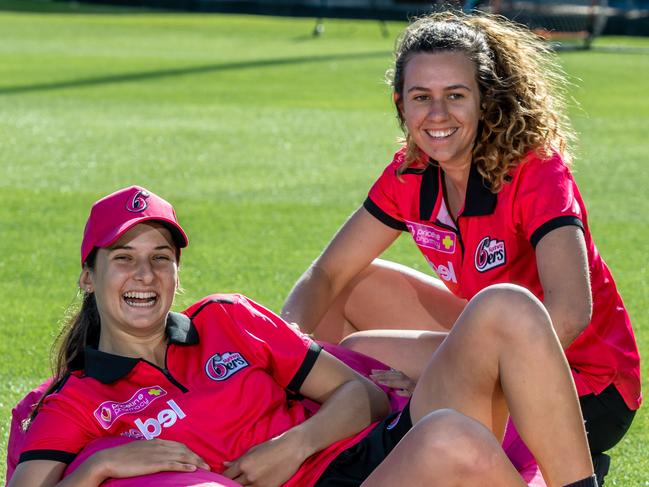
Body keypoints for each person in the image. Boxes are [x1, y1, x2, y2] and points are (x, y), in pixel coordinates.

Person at [9, 185, 599, 487]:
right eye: (124, 258)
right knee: (452, 440)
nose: (145, 275)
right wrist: (96, 468)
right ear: (89, 276)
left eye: (160, 258)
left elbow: (360, 395)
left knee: (506, 307)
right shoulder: (78, 400)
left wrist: (294, 445)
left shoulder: (227, 320)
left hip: (363, 454)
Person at [280, 9, 641, 456]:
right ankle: (311, 427)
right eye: (420, 97)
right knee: (351, 287)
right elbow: (327, 273)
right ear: (400, 104)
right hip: (492, 342)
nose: (437, 114)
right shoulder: (409, 173)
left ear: (485, 100)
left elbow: (569, 314)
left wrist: (453, 375)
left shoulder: (534, 169)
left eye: (455, 95)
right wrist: (285, 358)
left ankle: (391, 431)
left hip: (584, 385)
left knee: (360, 351)